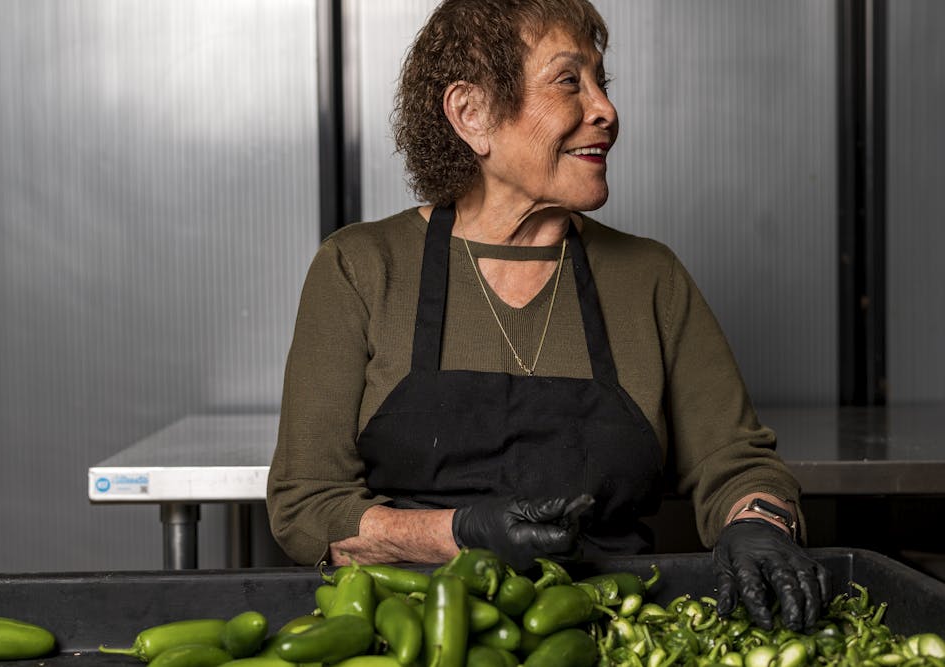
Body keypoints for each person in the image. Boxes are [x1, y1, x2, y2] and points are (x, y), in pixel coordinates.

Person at [268, 0, 830, 631]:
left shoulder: (649, 277)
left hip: (613, 629)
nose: (607, 112)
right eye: (570, 81)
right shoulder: (362, 268)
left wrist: (759, 523)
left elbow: (736, 463)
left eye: (602, 83)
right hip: (411, 632)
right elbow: (307, 504)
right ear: (471, 112)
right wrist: (456, 535)